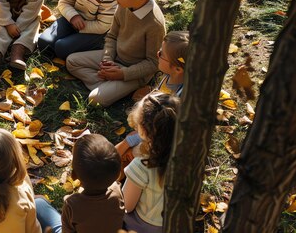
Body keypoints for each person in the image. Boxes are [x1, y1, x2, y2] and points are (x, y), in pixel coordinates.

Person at [66, 0, 166, 107]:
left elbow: (153, 63)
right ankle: (109, 84)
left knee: (95, 99)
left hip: (134, 72)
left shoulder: (155, 25)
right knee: (71, 61)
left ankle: (111, 86)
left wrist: (123, 74)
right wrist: (108, 60)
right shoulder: (123, 4)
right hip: (116, 58)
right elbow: (112, 36)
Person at [115, 30, 189, 168]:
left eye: (161, 54)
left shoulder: (179, 97)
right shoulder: (168, 77)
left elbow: (161, 131)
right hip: (149, 129)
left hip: (159, 140)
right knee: (125, 147)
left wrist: (132, 139)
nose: (157, 54)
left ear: (178, 69)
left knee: (128, 152)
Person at [35, 134, 124, 233]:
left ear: (74, 175)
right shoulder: (117, 190)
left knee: (38, 202)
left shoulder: (72, 205)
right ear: (117, 174)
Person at [122, 92, 179, 232]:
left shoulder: (141, 166)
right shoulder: (190, 159)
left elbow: (127, 206)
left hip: (143, 225)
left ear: (142, 130)